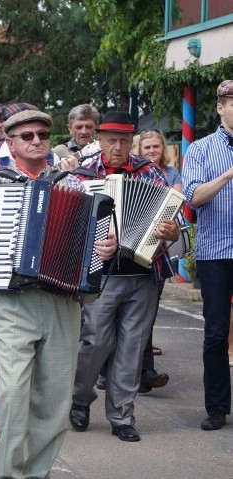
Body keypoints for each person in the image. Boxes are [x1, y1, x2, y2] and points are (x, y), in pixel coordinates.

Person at [0, 109, 117, 478]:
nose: (36, 140)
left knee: (55, 402)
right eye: (27, 136)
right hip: (12, 302)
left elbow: (97, 244)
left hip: (62, 303)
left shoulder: (73, 185)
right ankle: (8, 473)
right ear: (10, 143)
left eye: (42, 134)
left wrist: (105, 249)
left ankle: (36, 474)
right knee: (12, 394)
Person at [69, 111, 181, 442]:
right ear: (99, 140)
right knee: (95, 341)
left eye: (123, 140)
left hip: (144, 271)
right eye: (110, 140)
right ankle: (80, 399)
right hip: (102, 274)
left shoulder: (150, 172)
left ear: (131, 141)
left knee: (132, 346)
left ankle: (122, 415)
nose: (117, 147)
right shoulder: (85, 176)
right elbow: (73, 226)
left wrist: (172, 231)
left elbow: (170, 222)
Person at [182, 79, 233, 431]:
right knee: (216, 332)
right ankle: (216, 407)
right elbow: (193, 197)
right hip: (217, 251)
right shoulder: (200, 149)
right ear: (220, 107)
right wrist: (230, 173)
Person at [138, 129, 181, 389]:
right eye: (147, 148)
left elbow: (173, 203)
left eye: (156, 147)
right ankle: (135, 372)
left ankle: (145, 373)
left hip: (160, 250)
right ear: (139, 150)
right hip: (134, 247)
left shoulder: (172, 173)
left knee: (148, 314)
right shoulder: (134, 172)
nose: (152, 151)